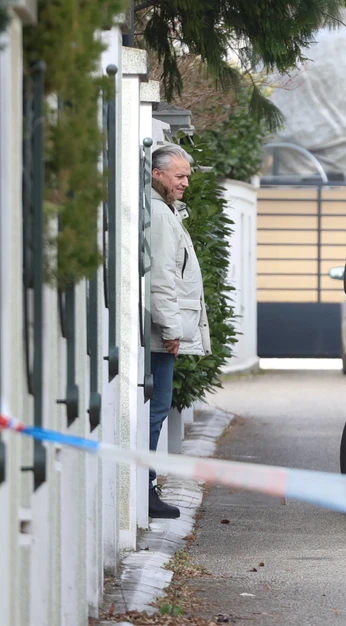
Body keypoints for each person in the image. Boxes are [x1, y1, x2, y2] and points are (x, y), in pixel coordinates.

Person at [148, 144, 212, 519]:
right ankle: (147, 488)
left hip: (164, 333)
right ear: (157, 175)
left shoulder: (167, 211)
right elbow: (162, 278)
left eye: (187, 175)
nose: (186, 182)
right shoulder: (160, 215)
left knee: (156, 410)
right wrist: (172, 329)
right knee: (156, 411)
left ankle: (148, 487)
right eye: (179, 175)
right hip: (162, 335)